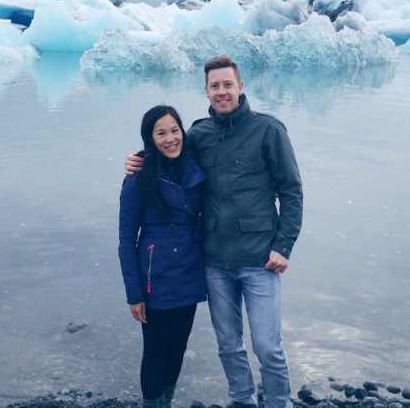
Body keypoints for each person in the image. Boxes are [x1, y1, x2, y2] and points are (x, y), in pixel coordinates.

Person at [126, 55, 303, 408]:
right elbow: (167, 149)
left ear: (241, 86)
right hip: (215, 262)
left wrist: (283, 245)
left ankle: (279, 403)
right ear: (206, 91)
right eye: (214, 86)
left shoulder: (269, 130)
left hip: (260, 259)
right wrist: (138, 159)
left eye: (227, 84)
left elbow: (292, 191)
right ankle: (242, 401)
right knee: (228, 344)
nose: (222, 92)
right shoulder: (199, 134)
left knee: (267, 346)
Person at [118, 105, 208, 408]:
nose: (170, 138)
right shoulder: (138, 178)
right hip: (155, 280)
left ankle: (166, 402)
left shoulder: (195, 166)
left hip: (190, 272)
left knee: (178, 347)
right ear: (150, 138)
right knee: (155, 351)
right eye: (161, 133)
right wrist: (134, 294)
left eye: (174, 130)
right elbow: (126, 239)